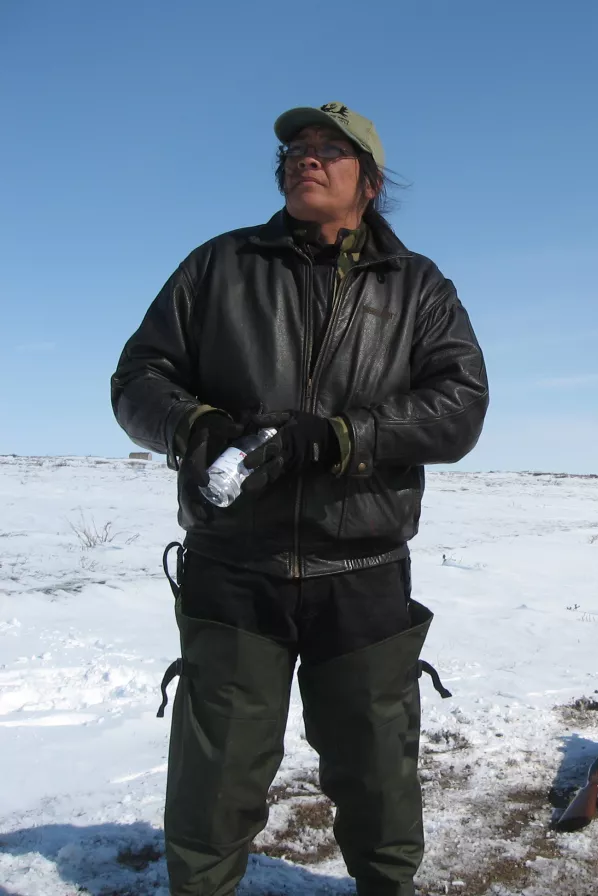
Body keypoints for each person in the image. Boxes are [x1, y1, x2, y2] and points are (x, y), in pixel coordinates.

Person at [111, 101, 488, 896]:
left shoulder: (417, 287)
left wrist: (340, 438)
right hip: (235, 567)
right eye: (294, 148)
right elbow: (137, 380)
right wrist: (197, 427)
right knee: (217, 774)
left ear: (371, 181)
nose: (304, 159)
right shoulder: (220, 266)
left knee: (377, 768)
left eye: (328, 150)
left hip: (363, 567)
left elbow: (460, 407)